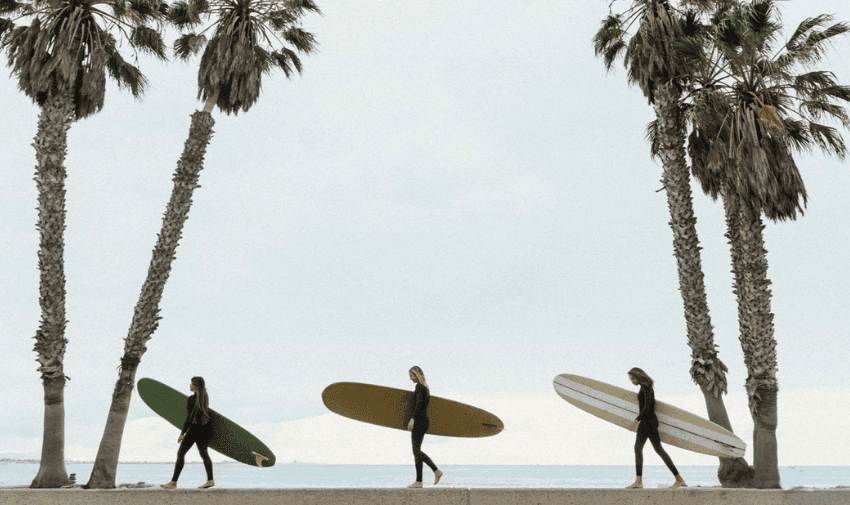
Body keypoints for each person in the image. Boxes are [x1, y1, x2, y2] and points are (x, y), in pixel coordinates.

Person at [626, 367, 686, 489]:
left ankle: (679, 479)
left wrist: (636, 420)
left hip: (649, 422)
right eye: (630, 379)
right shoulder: (643, 388)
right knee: (638, 448)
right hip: (645, 422)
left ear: (639, 377)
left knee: (658, 450)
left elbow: (648, 407)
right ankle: (638, 481)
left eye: (633, 378)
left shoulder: (647, 389)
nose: (632, 381)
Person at [161, 376, 215, 489]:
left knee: (181, 453)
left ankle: (173, 482)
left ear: (195, 386)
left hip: (194, 430)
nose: (189, 385)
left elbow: (189, 418)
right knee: (204, 453)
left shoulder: (191, 399)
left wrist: (182, 433)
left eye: (191, 384)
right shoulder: (205, 398)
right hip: (205, 430)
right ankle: (210, 480)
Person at [406, 366, 443, 488]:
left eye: (411, 376)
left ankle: (421, 481)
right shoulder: (426, 388)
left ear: (417, 375)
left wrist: (412, 419)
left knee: (416, 451)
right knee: (416, 451)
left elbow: (418, 405)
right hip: (424, 421)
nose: (410, 379)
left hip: (419, 421)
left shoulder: (419, 387)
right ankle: (432, 474)